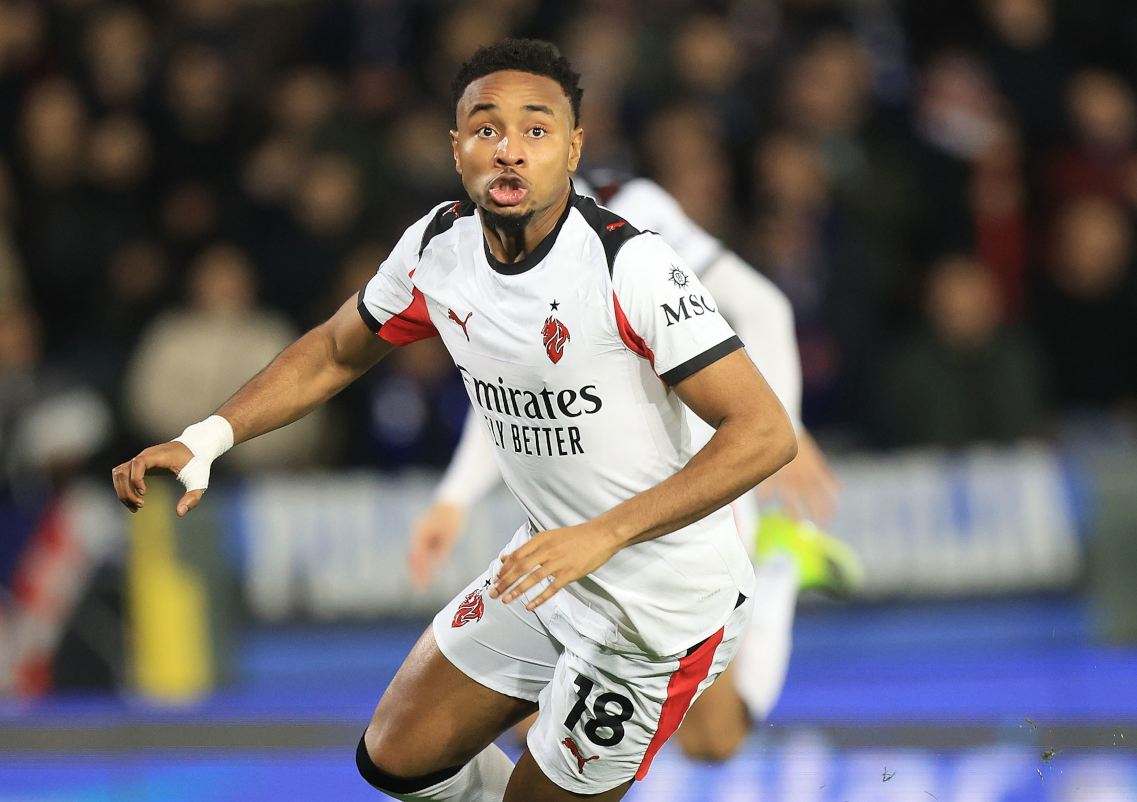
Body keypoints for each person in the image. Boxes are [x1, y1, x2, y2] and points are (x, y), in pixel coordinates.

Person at [112, 40, 798, 801]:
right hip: (547, 574)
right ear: (456, 146)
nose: (509, 149)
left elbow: (764, 432)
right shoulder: (439, 247)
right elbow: (335, 351)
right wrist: (208, 437)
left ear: (574, 148)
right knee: (395, 757)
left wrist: (601, 535)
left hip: (660, 608)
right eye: (486, 128)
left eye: (536, 130)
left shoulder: (627, 266)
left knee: (708, 742)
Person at [409, 175, 861, 763]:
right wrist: (454, 497)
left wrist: (783, 427)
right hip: (577, 509)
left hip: (678, 489)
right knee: (534, 720)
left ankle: (778, 566)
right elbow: (504, 390)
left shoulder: (630, 218)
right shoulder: (492, 248)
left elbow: (763, 306)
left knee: (711, 741)